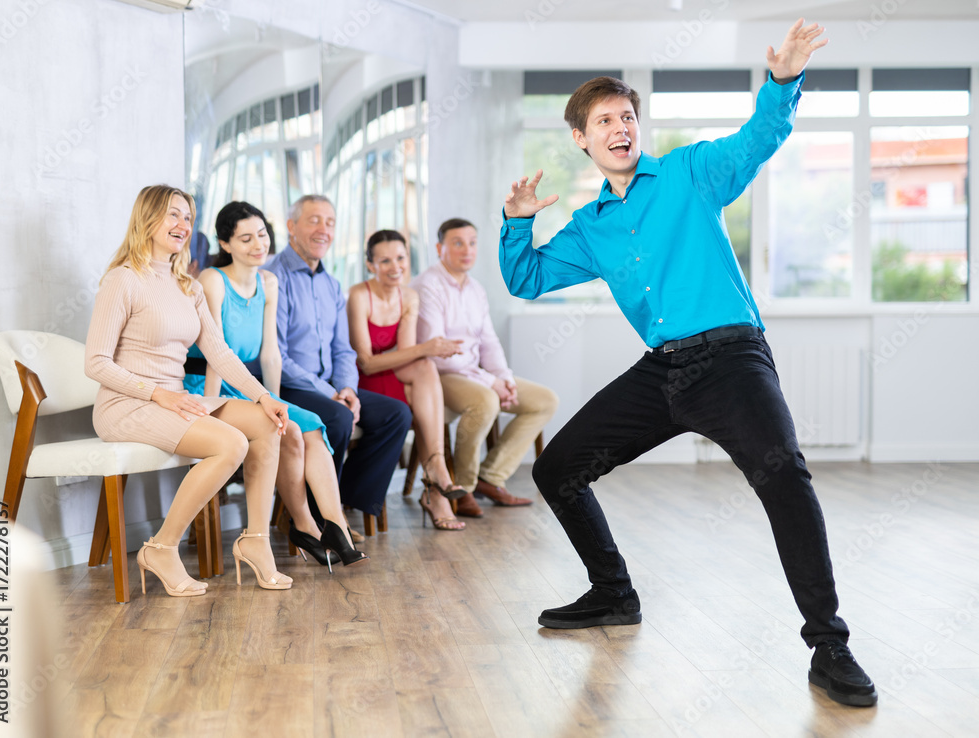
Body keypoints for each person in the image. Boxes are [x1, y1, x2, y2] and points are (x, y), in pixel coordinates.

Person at [498, 20, 877, 708]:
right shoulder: (590, 227)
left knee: (785, 478)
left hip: (731, 359)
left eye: (628, 116)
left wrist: (784, 81)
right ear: (581, 138)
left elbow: (758, 138)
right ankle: (613, 591)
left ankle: (829, 645)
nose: (620, 127)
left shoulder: (689, 173)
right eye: (604, 119)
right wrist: (517, 221)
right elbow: (525, 279)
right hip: (660, 372)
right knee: (558, 469)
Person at [85, 184, 293, 596]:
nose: (182, 225)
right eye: (172, 215)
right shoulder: (122, 280)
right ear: (147, 220)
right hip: (128, 405)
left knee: (267, 423)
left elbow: (220, 352)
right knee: (232, 444)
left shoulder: (188, 286)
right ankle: (162, 547)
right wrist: (156, 393)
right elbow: (96, 363)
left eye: (187, 217)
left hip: (175, 400)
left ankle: (255, 539)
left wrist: (264, 396)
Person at [185, 200, 367, 569]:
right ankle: (304, 526)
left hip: (247, 383)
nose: (258, 245)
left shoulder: (269, 282)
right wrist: (210, 406)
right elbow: (217, 356)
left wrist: (277, 403)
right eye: (246, 238)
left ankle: (336, 528)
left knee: (308, 426)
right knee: (292, 433)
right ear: (226, 244)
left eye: (263, 235)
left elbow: (270, 357)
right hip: (208, 382)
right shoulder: (212, 280)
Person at [268, 195, 413, 521]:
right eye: (314, 220)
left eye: (330, 222)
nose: (324, 230)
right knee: (337, 417)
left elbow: (343, 349)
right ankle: (318, 518)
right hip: (287, 387)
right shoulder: (273, 278)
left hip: (332, 387)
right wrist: (330, 393)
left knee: (397, 415)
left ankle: (344, 500)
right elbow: (277, 357)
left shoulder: (331, 285)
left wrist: (346, 387)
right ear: (291, 227)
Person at [412, 218, 559, 518]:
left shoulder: (476, 289)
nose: (467, 250)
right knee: (485, 400)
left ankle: (490, 477)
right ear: (440, 248)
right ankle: (463, 487)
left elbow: (488, 342)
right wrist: (489, 381)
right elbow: (437, 352)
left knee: (544, 400)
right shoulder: (428, 285)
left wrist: (503, 378)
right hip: (437, 375)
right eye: (457, 243)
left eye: (472, 242)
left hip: (473, 373)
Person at [347, 230, 466, 531]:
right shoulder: (359, 296)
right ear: (370, 264)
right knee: (424, 378)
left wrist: (424, 352)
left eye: (400, 258)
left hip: (395, 374)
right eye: (384, 260)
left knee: (424, 367)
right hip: (362, 381)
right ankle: (436, 484)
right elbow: (367, 363)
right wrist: (428, 347)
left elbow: (406, 357)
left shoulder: (409, 296)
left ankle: (436, 471)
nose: (395, 266)